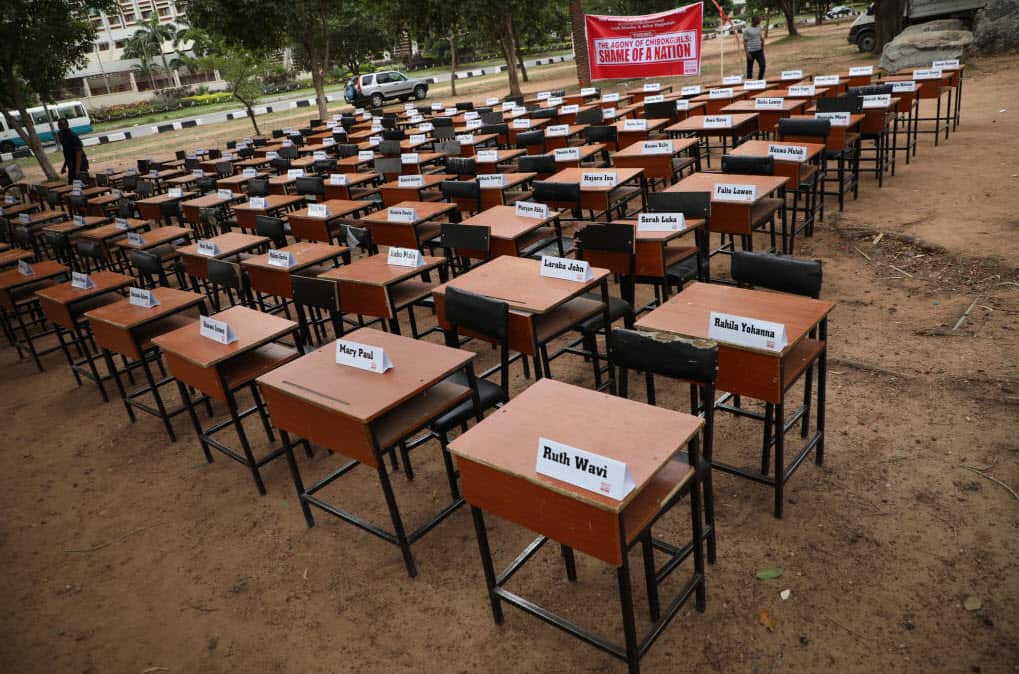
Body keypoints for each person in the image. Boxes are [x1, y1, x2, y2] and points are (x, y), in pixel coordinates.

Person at [57, 118, 88, 184]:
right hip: (71, 165)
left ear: (67, 125)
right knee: (72, 184)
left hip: (80, 164)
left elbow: (79, 152)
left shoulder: (72, 135)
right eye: (59, 125)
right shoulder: (61, 134)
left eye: (62, 124)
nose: (60, 126)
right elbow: (67, 153)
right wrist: (64, 166)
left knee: (83, 185)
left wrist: (77, 169)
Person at [744, 15, 766, 80]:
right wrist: (747, 53)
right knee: (750, 68)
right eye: (759, 19)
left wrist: (762, 42)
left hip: (759, 50)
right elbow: (745, 41)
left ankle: (760, 80)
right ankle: (749, 82)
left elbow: (760, 36)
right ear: (754, 21)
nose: (760, 20)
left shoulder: (759, 27)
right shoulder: (747, 30)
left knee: (763, 65)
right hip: (751, 52)